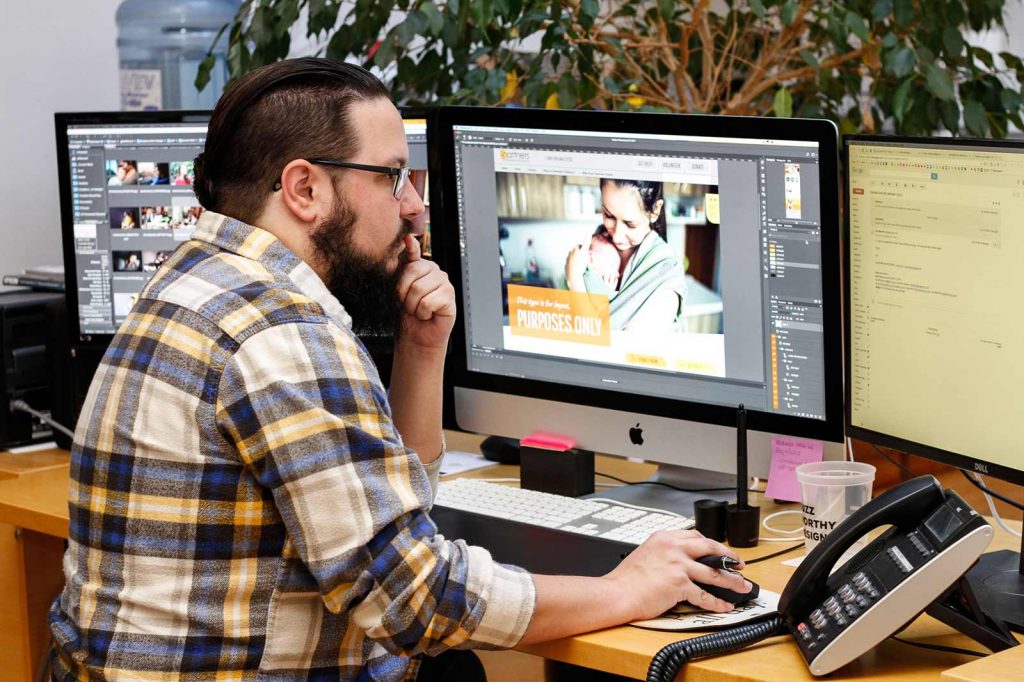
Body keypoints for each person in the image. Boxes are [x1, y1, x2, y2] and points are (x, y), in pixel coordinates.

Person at [49, 58, 750, 682]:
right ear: (304, 189)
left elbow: (388, 516)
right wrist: (628, 588)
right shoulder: (282, 333)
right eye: (392, 178)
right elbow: (413, 600)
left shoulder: (193, 280)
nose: (415, 205)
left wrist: (420, 352)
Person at [565, 178, 687, 331]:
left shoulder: (666, 277)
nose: (617, 236)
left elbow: (617, 352)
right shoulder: (597, 241)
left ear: (656, 210)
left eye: (630, 224)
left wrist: (574, 281)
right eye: (608, 215)